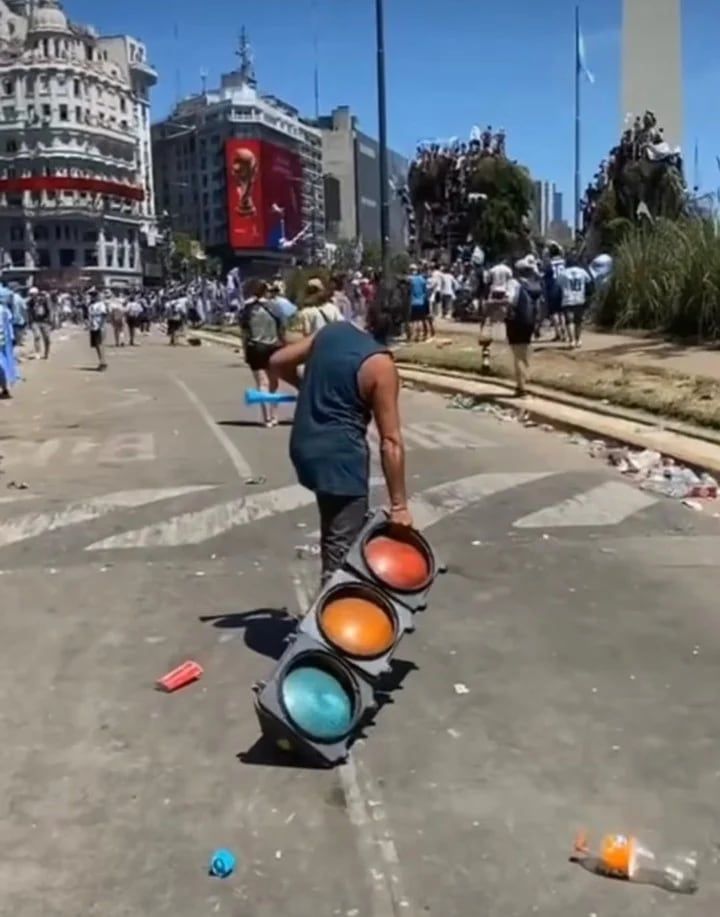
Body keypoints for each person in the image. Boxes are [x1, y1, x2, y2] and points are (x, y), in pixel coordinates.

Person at [270, 301, 413, 587]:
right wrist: (399, 505)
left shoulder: (331, 332)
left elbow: (277, 361)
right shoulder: (381, 365)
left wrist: (303, 385)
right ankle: (329, 622)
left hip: (304, 447)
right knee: (343, 554)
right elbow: (391, 442)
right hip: (341, 458)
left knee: (334, 526)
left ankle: (332, 608)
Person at [239, 278, 287, 428]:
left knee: (262, 383)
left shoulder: (247, 309)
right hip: (274, 347)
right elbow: (284, 327)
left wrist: (245, 350)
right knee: (274, 383)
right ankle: (274, 415)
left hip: (255, 347)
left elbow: (244, 332)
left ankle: (266, 418)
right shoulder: (276, 307)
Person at [505, 264, 539, 397]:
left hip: (516, 320)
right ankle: (526, 380)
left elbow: (510, 300)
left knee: (517, 355)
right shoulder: (534, 284)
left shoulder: (514, 283)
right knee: (524, 351)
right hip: (530, 321)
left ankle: (521, 387)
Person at [559, 255, 594, 348]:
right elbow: (589, 281)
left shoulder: (563, 273)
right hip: (579, 298)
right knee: (578, 321)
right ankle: (578, 340)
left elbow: (558, 285)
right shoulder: (582, 272)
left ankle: (572, 341)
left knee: (569, 321)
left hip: (567, 299)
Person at [27, 288, 52, 360]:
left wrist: (50, 320)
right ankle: (37, 352)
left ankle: (46, 353)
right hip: (35, 322)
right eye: (30, 295)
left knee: (47, 338)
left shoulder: (44, 300)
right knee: (37, 336)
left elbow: (50, 310)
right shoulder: (30, 302)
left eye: (33, 294)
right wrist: (30, 322)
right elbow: (29, 312)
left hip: (44, 321)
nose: (32, 296)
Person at [407, 263, 429, 342]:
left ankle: (410, 336)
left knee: (412, 321)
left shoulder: (409, 279)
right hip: (421, 302)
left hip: (412, 302)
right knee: (419, 320)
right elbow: (426, 291)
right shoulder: (422, 279)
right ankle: (418, 336)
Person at [87, 292, 108, 371]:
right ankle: (101, 361)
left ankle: (103, 362)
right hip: (93, 327)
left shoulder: (100, 304)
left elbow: (104, 315)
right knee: (96, 345)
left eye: (93, 296)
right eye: (91, 296)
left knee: (100, 344)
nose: (92, 297)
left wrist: (101, 325)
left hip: (99, 326)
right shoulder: (90, 305)